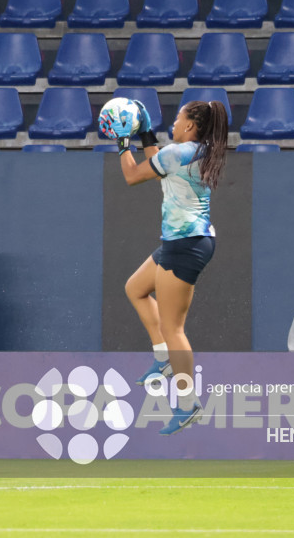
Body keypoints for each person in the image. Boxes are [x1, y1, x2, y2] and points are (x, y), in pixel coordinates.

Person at [100, 99, 228, 435]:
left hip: (185, 245)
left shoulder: (178, 153)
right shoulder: (191, 151)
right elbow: (159, 163)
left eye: (177, 118)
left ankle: (187, 405)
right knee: (135, 288)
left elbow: (132, 175)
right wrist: (146, 135)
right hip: (184, 241)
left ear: (189, 126)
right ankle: (164, 357)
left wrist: (121, 140)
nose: (173, 123)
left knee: (174, 329)